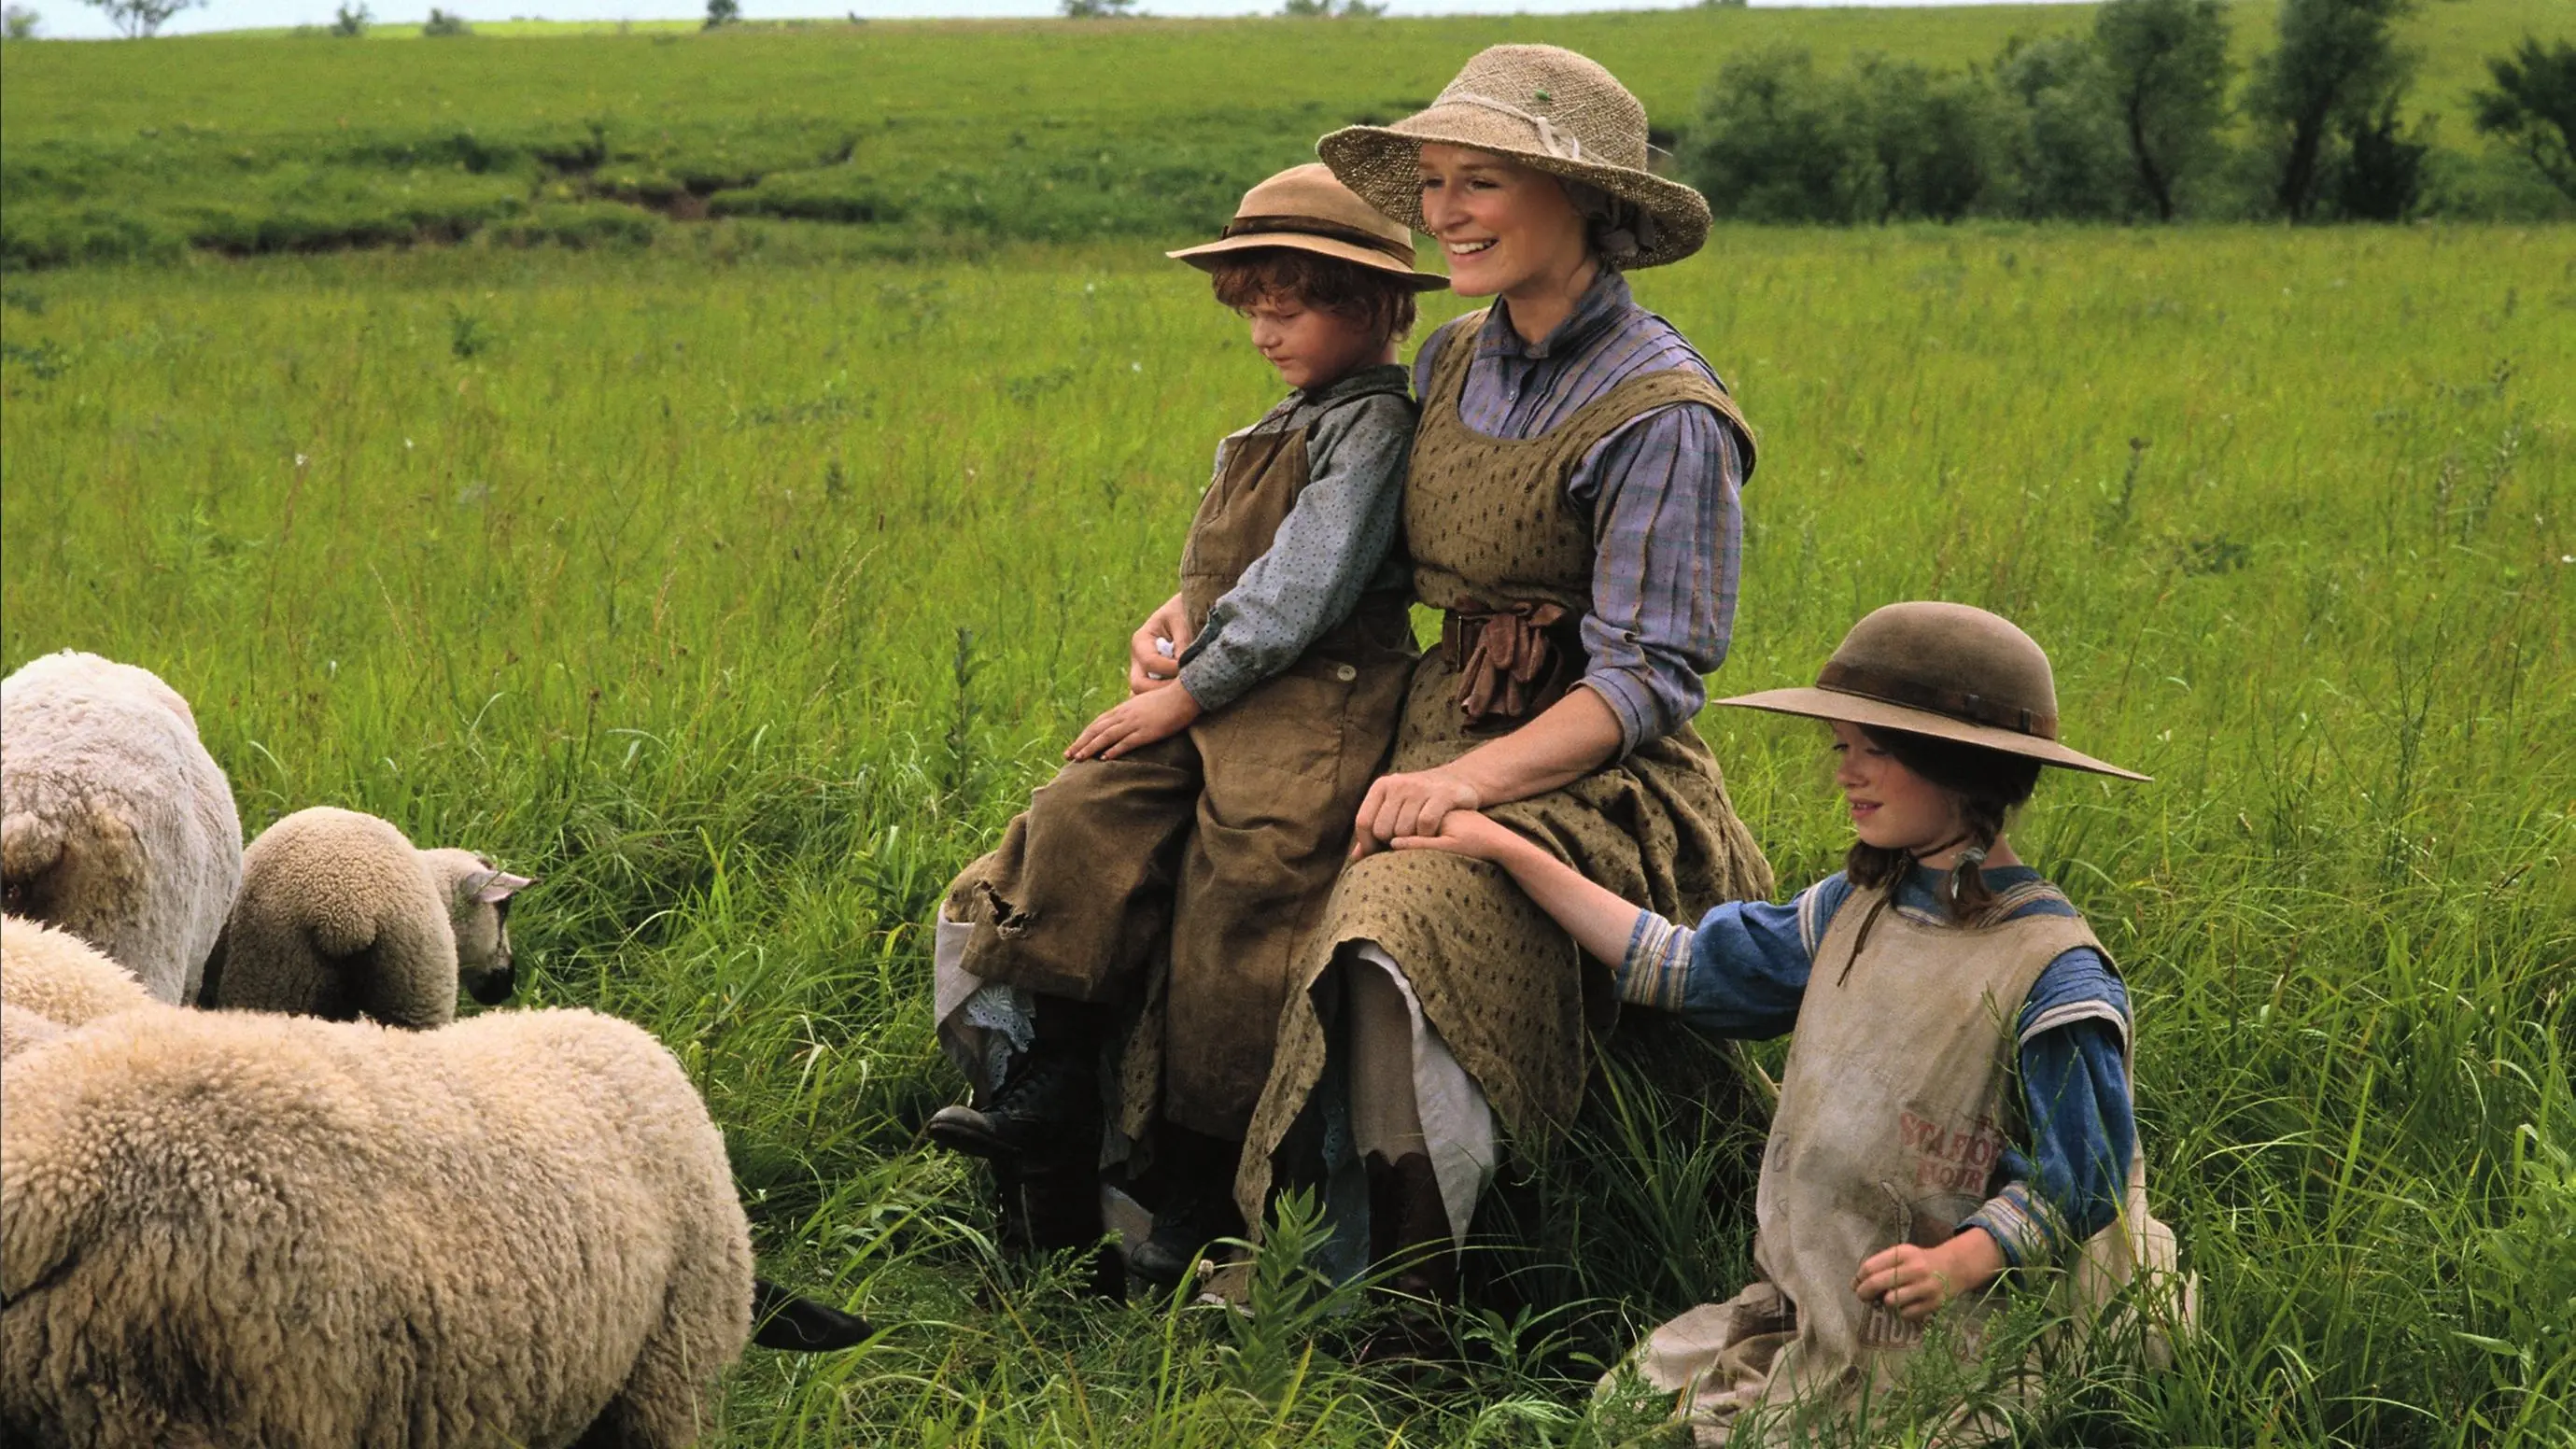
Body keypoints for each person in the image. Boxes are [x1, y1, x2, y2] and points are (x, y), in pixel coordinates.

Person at [1228, 44, 1773, 1301]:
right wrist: (1191, 614)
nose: (1440, 213)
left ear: (1583, 200)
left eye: (1478, 181)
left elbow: (1646, 680)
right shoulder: (1450, 357)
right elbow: (1368, 552)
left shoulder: (1663, 413)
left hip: (1593, 776)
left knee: (1391, 915)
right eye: (1430, 181)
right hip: (1427, 720)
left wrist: (1464, 787)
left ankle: (1403, 1293)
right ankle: (1159, 1183)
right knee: (1226, 825)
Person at [1390, 601, 2190, 1441]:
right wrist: (1509, 849)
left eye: (1875, 752)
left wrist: (1957, 1261)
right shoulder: (1855, 906)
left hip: (1973, 1322)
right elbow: (1680, 967)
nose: (1847, 774)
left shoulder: (2052, 968)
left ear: (1961, 767)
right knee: (1632, 1410)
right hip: (1823, 1295)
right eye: (1842, 749)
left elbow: (2086, 1172)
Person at [927, 163, 1449, 1287]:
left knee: (1246, 899)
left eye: (1290, 306)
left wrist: (1183, 689)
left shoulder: (1372, 425)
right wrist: (1172, 618)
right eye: (1251, 306)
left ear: (1374, 306)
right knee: (1080, 809)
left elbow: (1307, 581)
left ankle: (1205, 1183)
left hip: (1316, 700)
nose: (1264, 330)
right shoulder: (1275, 422)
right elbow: (1232, 568)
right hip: (1219, 682)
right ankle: (1055, 1075)